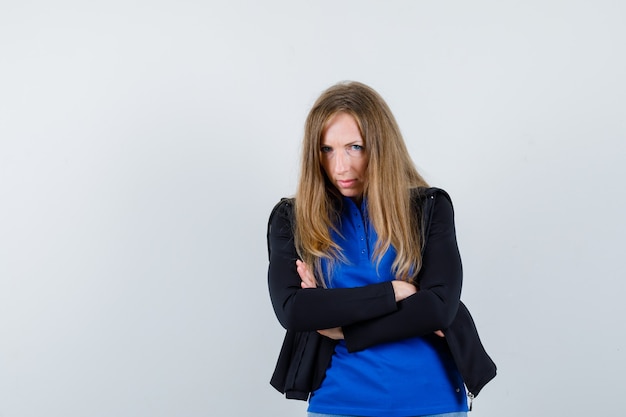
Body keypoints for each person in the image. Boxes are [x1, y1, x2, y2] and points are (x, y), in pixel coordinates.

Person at [267, 81, 496, 417]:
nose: (341, 166)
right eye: (327, 149)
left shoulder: (428, 207)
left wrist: (341, 327)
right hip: (339, 403)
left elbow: (438, 309)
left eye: (354, 147)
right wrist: (395, 291)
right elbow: (294, 311)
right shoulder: (293, 218)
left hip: (433, 401)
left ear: (380, 146)